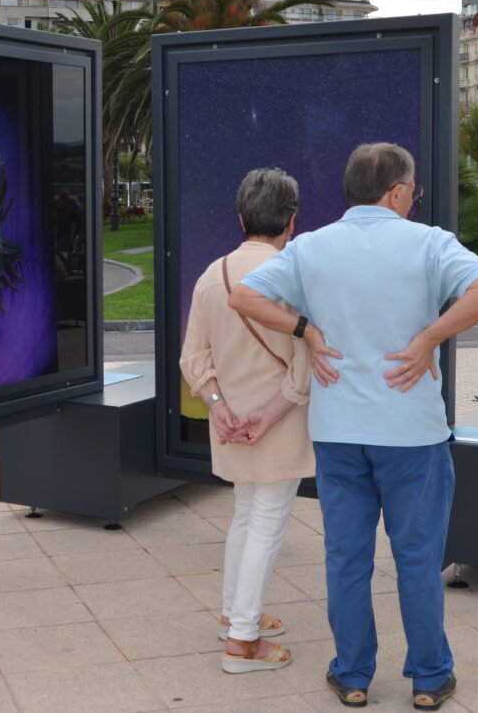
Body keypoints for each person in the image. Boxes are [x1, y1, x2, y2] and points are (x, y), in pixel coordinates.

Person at [230, 143, 478, 710]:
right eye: (413, 191)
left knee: (347, 559)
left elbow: (244, 295)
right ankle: (429, 680)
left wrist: (304, 328)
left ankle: (353, 675)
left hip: (338, 432)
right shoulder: (428, 242)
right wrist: (429, 338)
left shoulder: (310, 247)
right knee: (418, 561)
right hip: (413, 435)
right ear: (399, 191)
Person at [179, 168, 314, 675]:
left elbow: (193, 358)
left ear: (240, 217)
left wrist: (219, 407)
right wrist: (274, 411)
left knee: (243, 515)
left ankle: (235, 614)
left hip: (230, 423)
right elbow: (306, 358)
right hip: (279, 421)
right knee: (267, 523)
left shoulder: (212, 275)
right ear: (291, 220)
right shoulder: (294, 275)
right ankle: (242, 640)